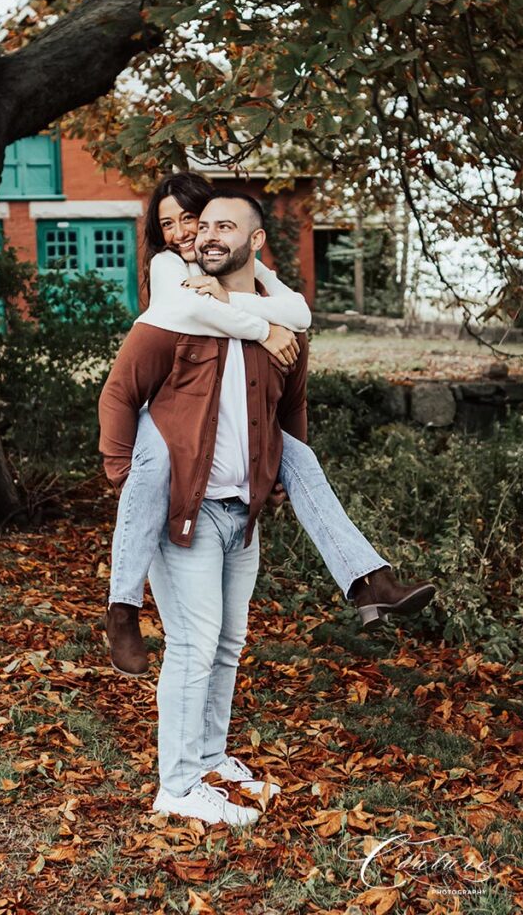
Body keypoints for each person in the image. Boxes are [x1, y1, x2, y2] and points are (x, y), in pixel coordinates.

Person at [104, 174, 435, 677]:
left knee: (301, 454)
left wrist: (276, 465)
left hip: (231, 452)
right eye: (167, 223)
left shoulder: (249, 276)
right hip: (167, 422)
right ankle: (123, 607)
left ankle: (369, 581)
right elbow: (189, 314)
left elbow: (298, 311)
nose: (182, 233)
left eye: (192, 219)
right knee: (149, 468)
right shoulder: (170, 267)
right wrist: (264, 327)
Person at [99, 191, 307, 824]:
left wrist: (275, 477)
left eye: (224, 226)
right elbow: (119, 392)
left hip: (241, 513)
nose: (207, 236)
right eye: (202, 225)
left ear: (257, 240)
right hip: (182, 509)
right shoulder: (175, 314)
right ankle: (178, 787)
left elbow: (291, 407)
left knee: (228, 642)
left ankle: (210, 758)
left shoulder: (279, 322)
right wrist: (125, 477)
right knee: (193, 644)